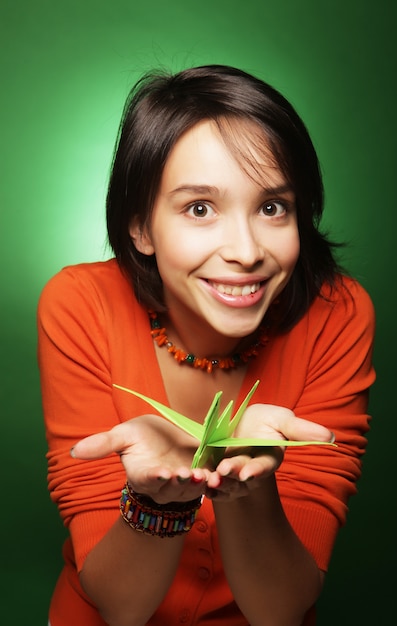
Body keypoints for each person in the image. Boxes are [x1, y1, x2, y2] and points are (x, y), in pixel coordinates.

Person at [37, 64, 375, 626]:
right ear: (140, 226)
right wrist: (157, 501)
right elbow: (120, 607)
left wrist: (247, 488)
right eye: (199, 208)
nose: (245, 250)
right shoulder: (80, 304)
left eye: (272, 207)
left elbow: (280, 609)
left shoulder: (337, 313)